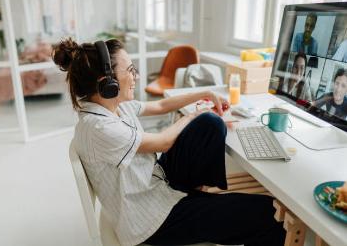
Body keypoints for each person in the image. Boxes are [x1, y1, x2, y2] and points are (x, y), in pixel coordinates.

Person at [53, 38, 285, 246]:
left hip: (154, 186)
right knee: (267, 214)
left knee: (210, 124)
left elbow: (161, 106)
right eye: (131, 71)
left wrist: (203, 95)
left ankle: (200, 198)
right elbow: (163, 142)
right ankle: (201, 206)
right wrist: (192, 114)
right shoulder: (100, 128)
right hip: (151, 221)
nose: (137, 77)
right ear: (108, 82)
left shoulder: (111, 106)